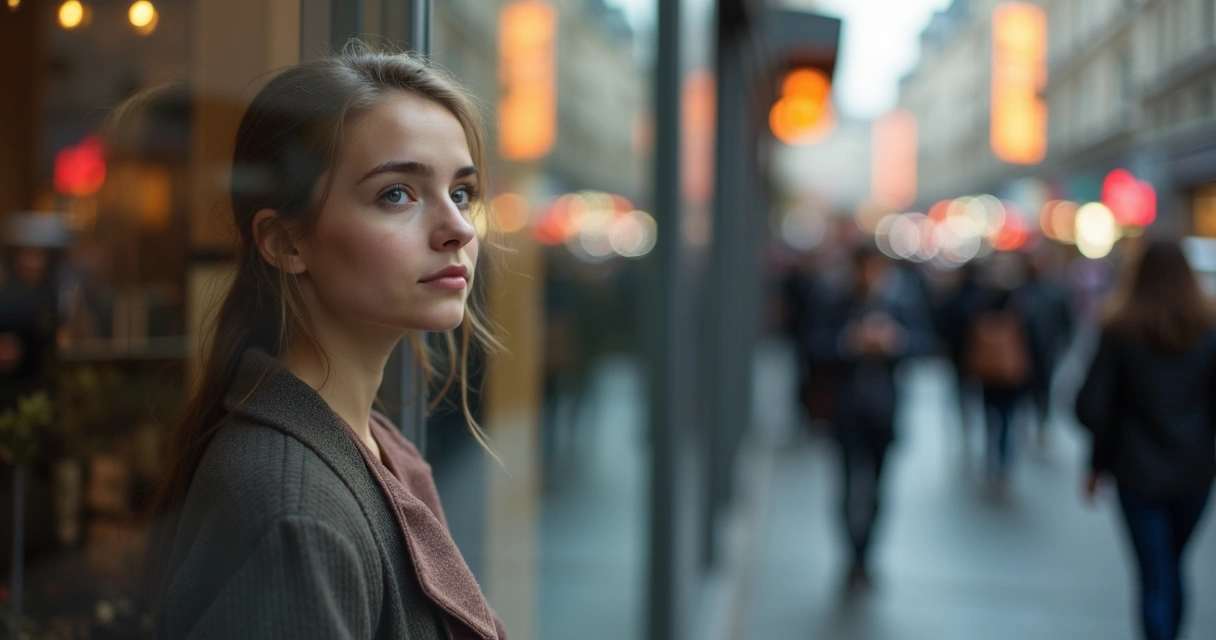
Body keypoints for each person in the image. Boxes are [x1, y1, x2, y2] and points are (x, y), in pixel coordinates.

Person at [140, 48, 507, 639]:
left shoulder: (365, 444)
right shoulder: (293, 513)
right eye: (397, 194)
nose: (459, 228)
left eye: (461, 193)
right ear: (286, 242)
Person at [1075, 239, 1215, 640]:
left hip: (1137, 472)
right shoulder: (1208, 328)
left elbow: (1093, 406)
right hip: (1195, 470)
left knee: (1154, 574)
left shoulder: (1120, 328)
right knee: (1173, 565)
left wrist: (1096, 463)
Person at [805, 245, 933, 588]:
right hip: (845, 412)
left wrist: (895, 342)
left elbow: (924, 343)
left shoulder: (901, 303)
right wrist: (849, 344)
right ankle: (851, 556)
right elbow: (812, 346)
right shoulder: (834, 302)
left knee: (877, 488)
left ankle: (867, 554)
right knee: (847, 486)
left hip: (884, 411)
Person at [964, 252, 1033, 486]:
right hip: (1008, 373)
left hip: (994, 374)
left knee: (994, 418)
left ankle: (996, 460)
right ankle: (1001, 461)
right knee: (1005, 419)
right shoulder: (1022, 300)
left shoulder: (981, 299)